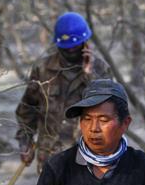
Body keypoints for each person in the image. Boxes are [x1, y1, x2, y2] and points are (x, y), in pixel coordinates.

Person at [15, 12, 112, 172]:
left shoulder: (100, 70)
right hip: (51, 159)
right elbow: (28, 108)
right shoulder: (42, 69)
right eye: (67, 47)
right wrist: (25, 141)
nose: (71, 50)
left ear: (85, 43)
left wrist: (89, 75)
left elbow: (108, 111)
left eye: (76, 46)